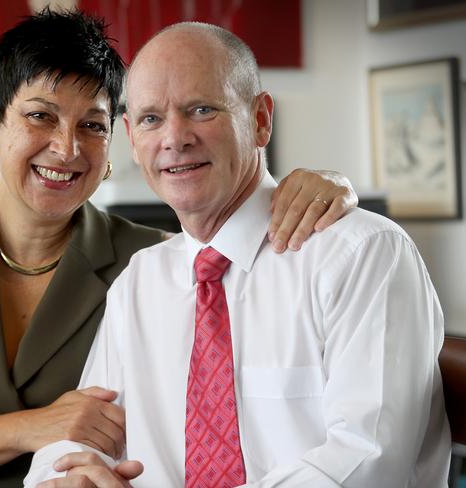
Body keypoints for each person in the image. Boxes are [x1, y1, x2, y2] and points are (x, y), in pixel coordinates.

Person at [0, 10, 358, 488]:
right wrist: (31, 427)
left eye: (92, 126)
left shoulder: (158, 264)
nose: (67, 148)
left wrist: (334, 183)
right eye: (40, 116)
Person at [25, 21, 452, 488]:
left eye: (201, 109)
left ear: (261, 120)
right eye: (151, 118)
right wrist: (63, 479)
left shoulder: (361, 255)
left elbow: (370, 464)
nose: (175, 138)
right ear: (130, 134)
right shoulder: (140, 282)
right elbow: (78, 436)